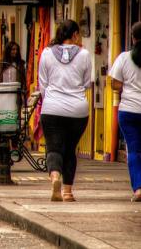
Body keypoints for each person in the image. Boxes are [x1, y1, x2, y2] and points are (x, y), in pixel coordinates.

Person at [39, 19, 92, 202]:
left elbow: (43, 84)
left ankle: (55, 177)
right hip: (78, 111)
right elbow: (86, 83)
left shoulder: (46, 53)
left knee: (54, 147)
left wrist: (52, 98)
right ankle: (68, 192)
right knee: (70, 149)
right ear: (75, 35)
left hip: (52, 108)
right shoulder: (84, 55)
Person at [110, 21, 141, 202]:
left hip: (129, 110)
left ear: (132, 38)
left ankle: (138, 188)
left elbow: (115, 84)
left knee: (134, 150)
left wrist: (126, 87)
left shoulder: (124, 58)